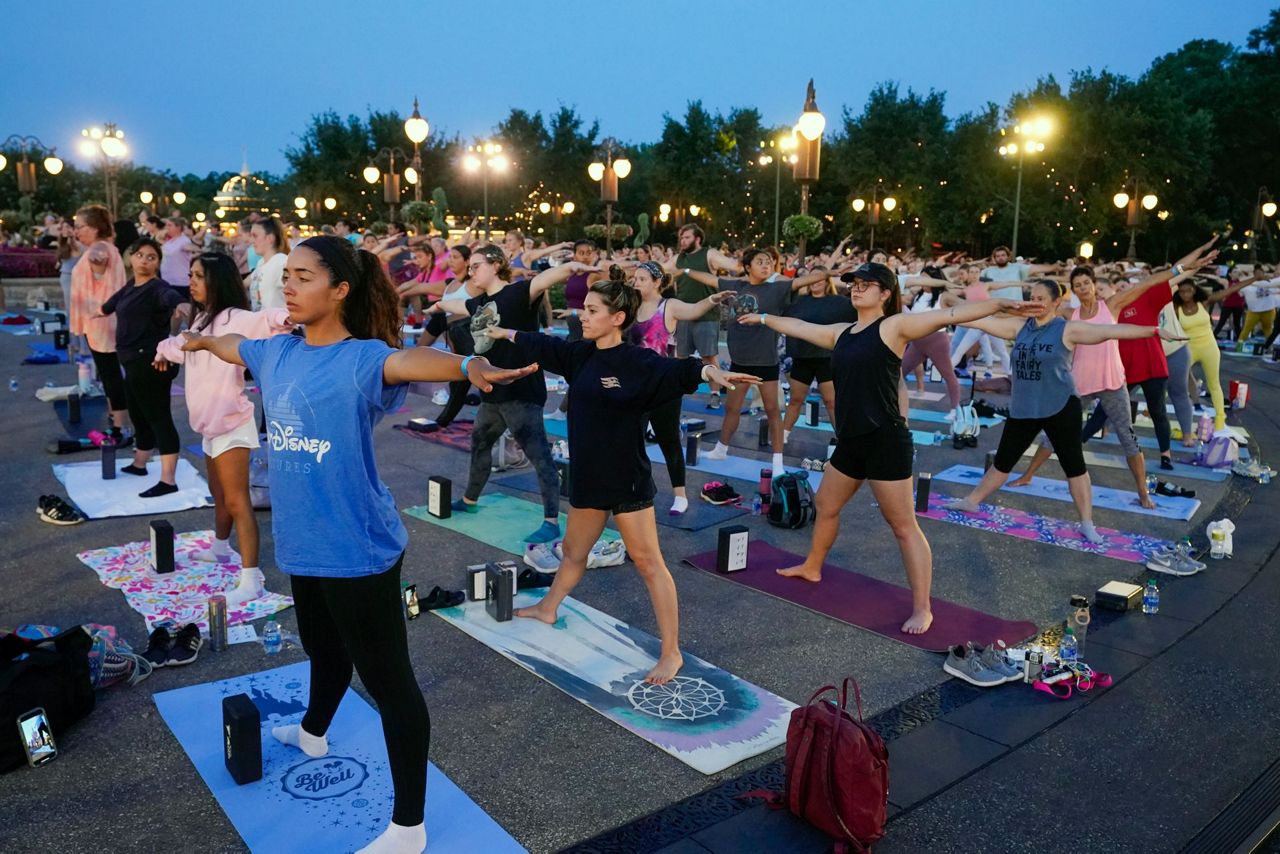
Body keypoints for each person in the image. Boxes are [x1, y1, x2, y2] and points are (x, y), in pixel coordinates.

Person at [180, 234, 535, 854]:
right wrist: (204, 341)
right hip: (303, 542)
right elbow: (239, 346)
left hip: (357, 546)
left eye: (302, 277)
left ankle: (409, 827)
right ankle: (315, 732)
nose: (286, 286)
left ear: (340, 289)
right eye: (284, 275)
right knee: (321, 646)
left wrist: (467, 366)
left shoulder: (359, 357)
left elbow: (408, 360)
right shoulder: (278, 351)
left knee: (389, 682)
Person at [483, 268, 757, 682]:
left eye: (592, 310)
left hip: (626, 479)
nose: (583, 316)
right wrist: (502, 333)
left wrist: (709, 373)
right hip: (590, 478)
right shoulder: (579, 355)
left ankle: (672, 653)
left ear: (618, 318)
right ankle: (547, 607)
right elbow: (540, 341)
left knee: (649, 564)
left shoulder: (638, 361)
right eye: (584, 310)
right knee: (573, 554)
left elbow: (682, 371)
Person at [734, 263, 1034, 633]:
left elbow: (951, 314)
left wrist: (998, 307)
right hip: (851, 439)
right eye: (854, 284)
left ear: (886, 293)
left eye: (866, 284)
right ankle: (812, 566)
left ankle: (922, 607)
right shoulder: (842, 332)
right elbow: (800, 328)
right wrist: (762, 317)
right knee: (826, 505)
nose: (857, 289)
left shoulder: (894, 327)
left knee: (903, 525)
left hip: (885, 439)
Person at [942, 280, 1184, 543]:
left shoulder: (1067, 329)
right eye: (1031, 297)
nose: (1034, 303)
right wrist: (945, 310)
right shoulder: (1019, 326)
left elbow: (1109, 331)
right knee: (1003, 461)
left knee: (1074, 467)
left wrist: (1154, 331)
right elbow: (979, 320)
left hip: (1060, 406)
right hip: (1025, 407)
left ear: (1057, 302)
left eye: (1041, 298)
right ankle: (972, 501)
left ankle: (1087, 522)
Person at [156, 252, 292, 605]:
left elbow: (268, 319)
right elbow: (179, 346)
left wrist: (290, 315)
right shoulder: (201, 319)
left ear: (218, 280)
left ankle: (251, 580)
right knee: (219, 495)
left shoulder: (235, 318)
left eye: (199, 275)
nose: (192, 281)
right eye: (191, 274)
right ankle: (220, 548)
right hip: (209, 428)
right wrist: (160, 349)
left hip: (232, 423)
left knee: (237, 501)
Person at [433, 246, 571, 543]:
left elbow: (547, 278)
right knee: (480, 442)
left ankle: (551, 520)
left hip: (522, 392)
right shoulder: (480, 302)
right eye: (469, 267)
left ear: (496, 265)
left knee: (539, 456)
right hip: (493, 393)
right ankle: (470, 500)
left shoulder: (518, 293)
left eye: (476, 266)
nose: (471, 272)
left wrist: (574, 267)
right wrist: (437, 307)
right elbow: (459, 307)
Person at [677, 249, 829, 474]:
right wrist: (685, 269)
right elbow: (708, 278)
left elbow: (810, 278)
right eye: (760, 262)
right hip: (740, 360)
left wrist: (829, 271)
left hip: (765, 361)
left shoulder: (777, 288)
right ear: (747, 267)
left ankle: (777, 462)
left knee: (772, 410)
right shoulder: (736, 286)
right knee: (732, 408)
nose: (766, 265)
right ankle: (721, 449)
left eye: (769, 262)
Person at [626, 261, 733, 513]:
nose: (636, 283)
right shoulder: (630, 307)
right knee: (631, 440)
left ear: (657, 282)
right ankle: (637, 488)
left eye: (642, 279)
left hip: (664, 386)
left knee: (669, 441)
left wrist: (714, 299)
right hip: (636, 386)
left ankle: (680, 495)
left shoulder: (668, 306)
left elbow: (695, 310)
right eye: (635, 279)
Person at [98, 237, 188, 497]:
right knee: (138, 412)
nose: (145, 261)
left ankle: (168, 481)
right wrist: (100, 311)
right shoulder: (132, 285)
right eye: (140, 255)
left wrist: (181, 306)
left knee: (159, 417)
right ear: (131, 257)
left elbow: (171, 298)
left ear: (158, 262)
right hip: (132, 361)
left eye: (152, 257)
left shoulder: (158, 288)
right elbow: (113, 302)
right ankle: (140, 463)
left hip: (151, 362)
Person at [69, 205, 131, 442]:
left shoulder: (100, 248)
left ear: (94, 228)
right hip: (100, 322)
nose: (76, 232)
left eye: (79, 227)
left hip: (102, 323)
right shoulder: (104, 247)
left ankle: (120, 428)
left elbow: (99, 259)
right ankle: (115, 421)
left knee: (110, 375)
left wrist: (96, 258)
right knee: (108, 375)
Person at [668, 224, 742, 409]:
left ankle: (715, 393)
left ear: (697, 239)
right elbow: (660, 268)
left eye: (686, 237)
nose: (682, 241)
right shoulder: (678, 258)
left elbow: (735, 266)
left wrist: (746, 262)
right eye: (681, 237)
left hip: (707, 315)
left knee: (709, 356)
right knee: (681, 357)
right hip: (684, 313)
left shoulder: (709, 254)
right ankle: (678, 393)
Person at [1173, 273, 1254, 432]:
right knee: (1176, 381)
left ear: (1194, 290)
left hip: (1209, 347)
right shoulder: (1176, 308)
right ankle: (1187, 410)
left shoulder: (1204, 302)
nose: (1185, 295)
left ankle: (1219, 421)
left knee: (1214, 384)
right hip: (1189, 348)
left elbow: (1231, 289)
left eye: (1188, 291)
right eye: (1182, 292)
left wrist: (1254, 279)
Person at [781, 268, 856, 438]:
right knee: (795, 400)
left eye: (819, 277)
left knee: (831, 402)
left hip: (828, 359)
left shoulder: (840, 302)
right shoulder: (797, 302)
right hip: (802, 358)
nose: (815, 281)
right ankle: (783, 436)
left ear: (826, 280)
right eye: (811, 277)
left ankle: (842, 439)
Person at [421, 245, 484, 428]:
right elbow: (422, 286)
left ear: (466, 261)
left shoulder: (473, 283)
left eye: (455, 257)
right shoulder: (450, 284)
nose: (451, 260)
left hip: (468, 335)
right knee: (460, 380)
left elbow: (483, 305)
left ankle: (443, 421)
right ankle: (443, 421)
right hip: (455, 335)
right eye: (450, 257)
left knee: (466, 378)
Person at [899, 267, 963, 414]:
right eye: (920, 278)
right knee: (899, 373)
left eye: (925, 278)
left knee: (948, 375)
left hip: (937, 342)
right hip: (917, 343)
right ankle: (890, 405)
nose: (922, 281)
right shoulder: (916, 295)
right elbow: (899, 298)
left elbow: (964, 304)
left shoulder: (944, 296)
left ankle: (956, 410)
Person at [948, 263, 1011, 373]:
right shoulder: (965, 289)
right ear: (968, 274)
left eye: (976, 272)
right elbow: (950, 291)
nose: (974, 275)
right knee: (960, 349)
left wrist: (1022, 283)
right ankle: (947, 372)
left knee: (1001, 350)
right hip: (974, 323)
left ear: (980, 273)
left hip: (990, 322)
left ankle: (1006, 374)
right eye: (971, 272)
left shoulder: (985, 285)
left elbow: (1004, 284)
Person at [980, 246, 1059, 301]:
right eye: (997, 256)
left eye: (1003, 255)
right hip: (994, 311)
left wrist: (1054, 267)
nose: (1000, 258)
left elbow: (1036, 268)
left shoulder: (1018, 267)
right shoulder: (987, 271)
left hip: (1015, 308)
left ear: (1008, 256)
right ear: (994, 258)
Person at [249, 217, 289, 310]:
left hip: (278, 323)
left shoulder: (281, 262)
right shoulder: (261, 263)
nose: (251, 241)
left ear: (270, 238)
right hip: (262, 322)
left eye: (255, 236)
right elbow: (246, 281)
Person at [160, 216, 198, 300]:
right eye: (167, 225)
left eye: (170, 225)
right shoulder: (169, 242)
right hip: (167, 280)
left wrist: (197, 251)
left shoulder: (183, 241)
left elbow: (192, 248)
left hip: (179, 282)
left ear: (178, 227)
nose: (167, 228)